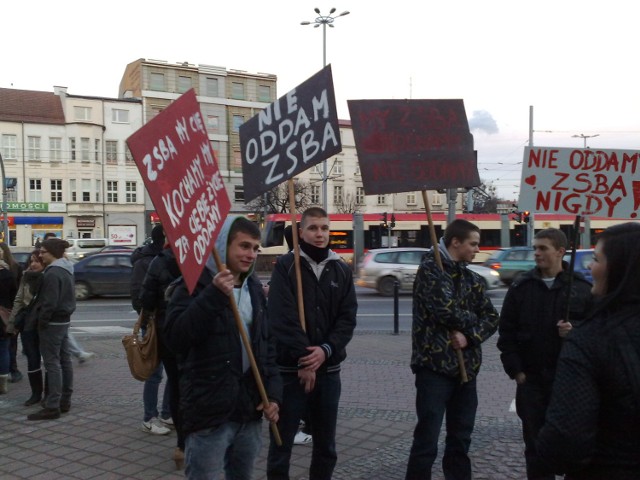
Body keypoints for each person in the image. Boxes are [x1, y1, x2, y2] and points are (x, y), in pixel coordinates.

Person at [166, 215, 281, 479]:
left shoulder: (253, 287)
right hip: (210, 414)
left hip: (249, 410)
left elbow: (267, 347)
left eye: (255, 248)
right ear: (222, 246)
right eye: (243, 246)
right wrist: (214, 295)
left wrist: (273, 396)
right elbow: (176, 339)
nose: (251, 254)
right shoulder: (194, 285)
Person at [534, 223, 640, 479]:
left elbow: (566, 440)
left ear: (621, 270)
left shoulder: (592, 339)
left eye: (596, 259)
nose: (591, 266)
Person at [267, 207, 358, 480]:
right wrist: (305, 359)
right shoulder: (286, 266)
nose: (320, 234)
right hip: (290, 373)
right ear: (301, 232)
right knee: (281, 444)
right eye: (313, 228)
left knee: (325, 447)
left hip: (328, 373)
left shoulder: (340, 269)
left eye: (324, 228)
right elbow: (282, 318)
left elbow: (347, 319)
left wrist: (324, 351)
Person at [405, 219, 499, 480]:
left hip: (466, 370)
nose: (477, 249)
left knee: (460, 440)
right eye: (473, 243)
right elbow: (444, 309)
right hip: (434, 368)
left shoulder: (472, 278)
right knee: (427, 440)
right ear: (456, 242)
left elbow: (491, 318)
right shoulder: (430, 269)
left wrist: (470, 336)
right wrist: (472, 320)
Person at [497, 228, 592, 480]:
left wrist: (575, 331)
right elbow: (507, 332)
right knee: (536, 447)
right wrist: (516, 371)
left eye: (543, 248)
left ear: (560, 251)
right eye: (535, 248)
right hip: (532, 381)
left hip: (571, 384)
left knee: (573, 445)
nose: (536, 253)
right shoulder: (521, 286)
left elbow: (598, 332)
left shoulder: (581, 289)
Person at [139, 244, 184, 468]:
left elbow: (145, 300)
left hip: (166, 328)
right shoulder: (198, 258)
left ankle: (181, 444)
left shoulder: (159, 261)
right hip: (194, 328)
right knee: (187, 381)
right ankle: (186, 432)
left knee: (174, 381)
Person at [27, 238, 75, 420]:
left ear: (52, 253)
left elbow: (49, 302)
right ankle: (65, 400)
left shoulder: (53, 273)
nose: (40, 255)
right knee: (64, 360)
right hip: (63, 320)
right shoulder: (67, 268)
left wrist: (42, 321)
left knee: (52, 363)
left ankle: (53, 405)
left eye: (43, 252)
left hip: (52, 323)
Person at [131, 224, 171, 435]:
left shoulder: (175, 258)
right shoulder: (146, 262)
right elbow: (139, 296)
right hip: (154, 324)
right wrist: (149, 316)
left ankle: (167, 412)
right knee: (154, 374)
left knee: (175, 372)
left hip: (173, 323)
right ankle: (149, 417)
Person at [7, 250, 45, 405]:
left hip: (43, 324)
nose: (33, 264)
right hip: (28, 324)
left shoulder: (47, 278)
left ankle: (50, 394)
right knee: (32, 358)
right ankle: (35, 393)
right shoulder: (26, 277)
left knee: (50, 360)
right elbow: (18, 300)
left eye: (37, 261)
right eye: (31, 261)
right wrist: (11, 323)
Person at [0, 243, 24, 384]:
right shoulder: (9, 272)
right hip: (8, 311)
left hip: (9, 312)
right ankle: (8, 371)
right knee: (6, 344)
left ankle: (12, 370)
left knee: (10, 343)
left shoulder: (14, 269)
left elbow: (18, 293)